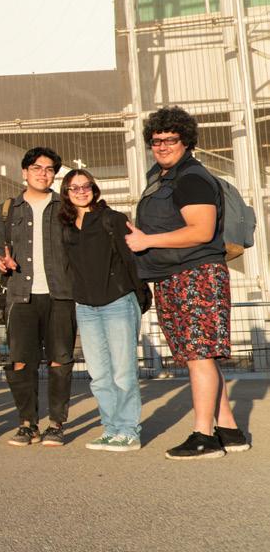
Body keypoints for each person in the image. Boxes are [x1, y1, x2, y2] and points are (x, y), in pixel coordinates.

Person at [127, 106, 250, 459]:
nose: (162, 146)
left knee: (199, 355)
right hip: (174, 274)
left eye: (171, 139)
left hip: (196, 275)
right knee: (201, 356)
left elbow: (201, 230)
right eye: (156, 141)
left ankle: (203, 436)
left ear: (186, 141)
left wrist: (147, 240)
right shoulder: (164, 177)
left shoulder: (191, 178)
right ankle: (229, 430)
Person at [0, 147, 76, 447]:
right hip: (20, 295)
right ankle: (27, 424)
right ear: (24, 172)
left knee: (59, 361)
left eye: (50, 169)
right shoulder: (6, 210)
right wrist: (0, 263)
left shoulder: (66, 206)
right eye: (37, 168)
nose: (43, 173)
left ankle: (56, 424)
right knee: (20, 362)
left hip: (60, 294)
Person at [58, 171, 143, 452]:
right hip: (86, 306)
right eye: (74, 188)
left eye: (86, 186)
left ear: (94, 189)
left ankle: (128, 430)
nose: (81, 191)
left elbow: (132, 260)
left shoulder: (112, 219)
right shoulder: (66, 226)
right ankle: (111, 428)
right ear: (66, 193)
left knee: (123, 372)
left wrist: (140, 297)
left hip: (117, 301)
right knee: (99, 375)